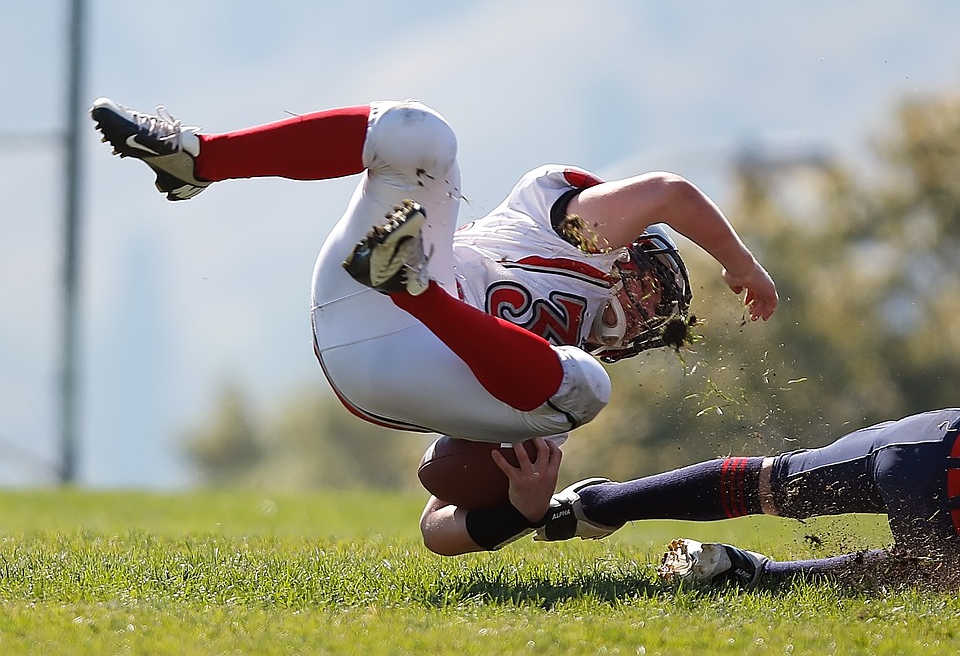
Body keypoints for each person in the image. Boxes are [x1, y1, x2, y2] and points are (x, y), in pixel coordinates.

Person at [90, 95, 776, 452]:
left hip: (409, 365)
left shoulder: (552, 378)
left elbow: (442, 510)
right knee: (423, 136)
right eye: (656, 286)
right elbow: (668, 193)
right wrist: (740, 264)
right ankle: (200, 159)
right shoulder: (572, 233)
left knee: (584, 392)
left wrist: (526, 507)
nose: (650, 310)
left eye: (659, 315)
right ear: (631, 252)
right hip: (366, 298)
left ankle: (416, 287)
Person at [422, 407, 960, 588]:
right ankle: (757, 575)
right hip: (936, 464)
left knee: (773, 481)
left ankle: (597, 505)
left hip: (925, 440)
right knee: (930, 575)